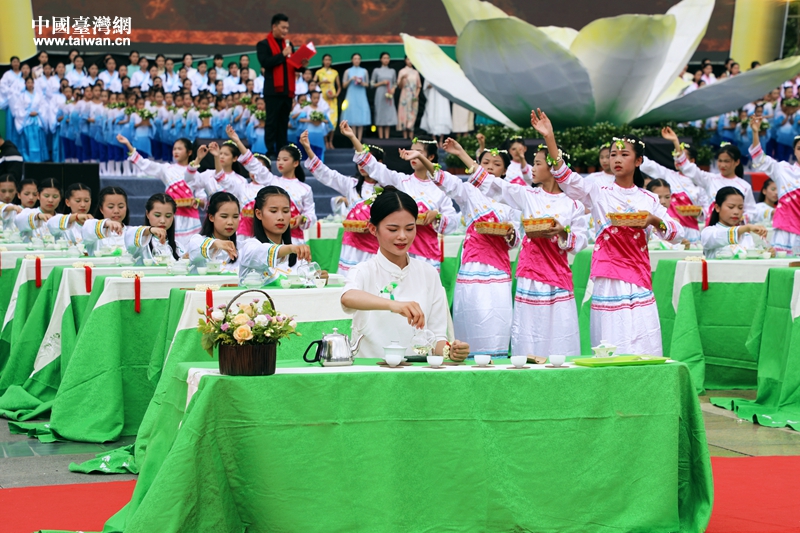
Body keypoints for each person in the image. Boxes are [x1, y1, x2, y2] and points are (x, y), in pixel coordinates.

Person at [532, 109, 683, 355]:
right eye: (613, 154)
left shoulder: (649, 199)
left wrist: (654, 220)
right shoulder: (598, 191)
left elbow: (676, 234)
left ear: (638, 161)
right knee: (611, 342)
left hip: (638, 277)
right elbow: (565, 176)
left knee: (643, 340)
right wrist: (550, 138)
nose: (617, 159)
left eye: (624, 154)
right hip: (608, 276)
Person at [455, 138, 587, 357]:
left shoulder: (573, 204)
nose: (532, 168)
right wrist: (462, 154)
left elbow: (580, 241)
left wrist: (563, 232)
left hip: (557, 279)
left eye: (537, 164)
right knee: (528, 338)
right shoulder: (528, 195)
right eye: (533, 163)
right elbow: (495, 186)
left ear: (554, 167)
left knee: (559, 339)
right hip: (529, 276)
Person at [406, 139, 521, 357]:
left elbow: (517, 239)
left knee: (498, 317)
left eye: (496, 164)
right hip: (471, 267)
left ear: (506, 169)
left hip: (499, 269)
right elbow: (446, 181)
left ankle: (495, 362)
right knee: (472, 315)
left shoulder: (511, 196)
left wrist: (509, 233)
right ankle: (465, 360)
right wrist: (423, 158)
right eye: (485, 162)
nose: (489, 167)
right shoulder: (469, 191)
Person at [340, 186, 470, 360]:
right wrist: (394, 305)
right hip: (371, 374)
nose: (402, 236)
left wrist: (450, 351)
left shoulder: (428, 273)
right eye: (393, 230)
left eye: (409, 229)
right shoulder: (364, 271)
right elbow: (347, 297)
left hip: (416, 375)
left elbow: (437, 338)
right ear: (373, 229)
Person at [343, 120, 459, 270]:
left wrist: (437, 216)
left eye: (418, 153)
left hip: (427, 254)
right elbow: (374, 167)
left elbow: (453, 222)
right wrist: (353, 138)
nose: (412, 155)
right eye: (411, 151)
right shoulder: (402, 181)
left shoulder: (440, 189)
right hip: (399, 252)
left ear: (430, 157)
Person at [299, 130, 381, 276]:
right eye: (359, 162)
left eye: (365, 162)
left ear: (378, 164)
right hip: (352, 247)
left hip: (376, 245)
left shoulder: (387, 187)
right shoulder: (351, 185)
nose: (362, 165)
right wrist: (308, 149)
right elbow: (327, 174)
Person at [118, 134, 203, 249]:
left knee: (190, 249)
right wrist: (128, 145)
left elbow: (202, 199)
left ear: (189, 152)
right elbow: (145, 164)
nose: (176, 151)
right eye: (174, 149)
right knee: (171, 248)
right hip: (170, 216)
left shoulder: (195, 174)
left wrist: (197, 201)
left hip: (191, 218)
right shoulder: (167, 169)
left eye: (179, 149)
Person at [664, 127, 757, 222]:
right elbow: (687, 167)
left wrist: (738, 219)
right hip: (713, 230)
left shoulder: (745, 186)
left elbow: (752, 212)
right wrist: (676, 142)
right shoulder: (710, 179)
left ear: (737, 162)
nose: (722, 165)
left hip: (735, 231)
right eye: (720, 161)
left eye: (727, 161)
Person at [239, 186, 318, 285]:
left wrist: (317, 279)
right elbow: (261, 252)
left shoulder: (295, 253)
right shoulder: (249, 247)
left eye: (285, 211)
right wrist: (291, 249)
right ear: (259, 214)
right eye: (273, 211)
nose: (281, 217)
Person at [257, 13, 307, 157]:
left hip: (287, 91)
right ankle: (270, 151)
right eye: (283, 27)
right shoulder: (263, 44)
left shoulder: (288, 44)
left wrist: (302, 65)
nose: (286, 31)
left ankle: (281, 150)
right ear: (274, 26)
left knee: (283, 123)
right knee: (272, 122)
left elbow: (294, 65)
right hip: (273, 90)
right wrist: (282, 55)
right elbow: (265, 63)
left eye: (287, 28)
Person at [749, 115, 800, 253]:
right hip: (785, 230)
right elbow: (759, 158)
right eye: (799, 148)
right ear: (794, 151)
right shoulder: (783, 169)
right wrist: (755, 133)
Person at [701, 187, 769, 259]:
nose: (736, 212)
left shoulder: (746, 236)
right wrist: (746, 227)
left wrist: (764, 253)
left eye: (740, 208)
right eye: (731, 207)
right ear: (717, 207)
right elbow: (720, 235)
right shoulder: (708, 232)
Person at [186, 191, 240, 274]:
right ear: (211, 217)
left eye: (235, 217)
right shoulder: (198, 241)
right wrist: (215, 243)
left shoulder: (242, 247)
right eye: (224, 216)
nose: (230, 222)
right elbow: (194, 247)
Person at [12, 76, 48, 162]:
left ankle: (39, 161)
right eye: (28, 82)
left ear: (34, 84)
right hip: (27, 122)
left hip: (37, 121)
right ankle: (28, 161)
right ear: (25, 84)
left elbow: (44, 106)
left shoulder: (39, 95)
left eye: (31, 82)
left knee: (39, 142)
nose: (30, 84)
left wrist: (38, 112)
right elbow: (18, 108)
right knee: (27, 143)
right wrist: (28, 113)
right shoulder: (22, 96)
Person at [340, 54, 370, 141]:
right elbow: (344, 85)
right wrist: (351, 79)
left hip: (361, 95)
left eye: (358, 59)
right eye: (355, 59)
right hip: (351, 95)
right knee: (352, 117)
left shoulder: (364, 71)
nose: (356, 60)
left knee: (360, 118)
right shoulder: (347, 71)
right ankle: (353, 140)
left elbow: (367, 84)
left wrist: (361, 82)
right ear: (352, 60)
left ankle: (359, 140)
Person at [314, 54, 340, 150]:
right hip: (321, 99)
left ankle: (330, 142)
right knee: (323, 120)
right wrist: (322, 82)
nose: (327, 61)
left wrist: (336, 95)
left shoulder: (335, 72)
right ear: (322, 61)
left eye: (329, 59)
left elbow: (339, 87)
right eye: (326, 59)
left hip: (332, 99)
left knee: (332, 121)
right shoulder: (319, 72)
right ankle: (325, 141)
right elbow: (313, 84)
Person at [371, 52, 397, 140]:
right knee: (380, 114)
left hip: (389, 93)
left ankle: (387, 138)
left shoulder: (392, 71)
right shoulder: (376, 70)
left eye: (387, 58)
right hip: (380, 93)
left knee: (388, 114)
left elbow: (395, 83)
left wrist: (393, 89)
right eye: (384, 58)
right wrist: (381, 83)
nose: (386, 60)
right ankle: (381, 138)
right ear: (381, 59)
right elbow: (371, 84)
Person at [420, 80, 452, 146]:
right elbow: (426, 86)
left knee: (443, 114)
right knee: (432, 115)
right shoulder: (428, 72)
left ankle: (441, 140)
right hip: (432, 97)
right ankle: (434, 140)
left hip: (442, 97)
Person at [396, 56, 421, 139]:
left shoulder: (416, 72)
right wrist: (402, 78)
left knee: (412, 115)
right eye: (408, 59)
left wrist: (416, 95)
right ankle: (404, 137)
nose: (410, 61)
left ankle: (411, 137)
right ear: (405, 60)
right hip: (404, 96)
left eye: (411, 59)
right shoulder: (402, 71)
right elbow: (399, 86)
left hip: (413, 97)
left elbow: (419, 86)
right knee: (404, 115)